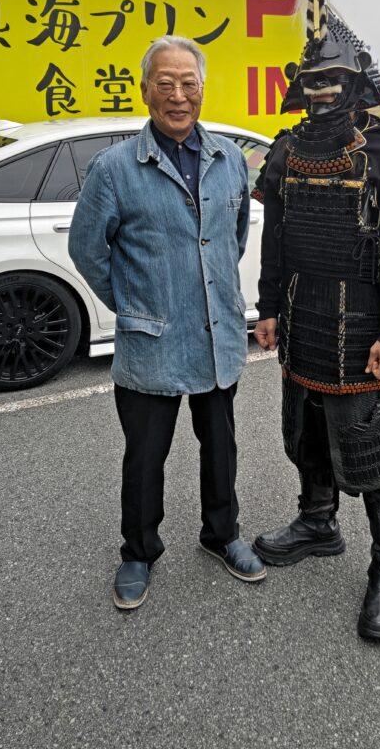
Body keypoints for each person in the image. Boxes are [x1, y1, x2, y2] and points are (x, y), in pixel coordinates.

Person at [251, 0, 380, 640]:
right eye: (311, 79)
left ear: (355, 83)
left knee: (372, 450)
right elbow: (273, 238)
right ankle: (317, 523)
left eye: (333, 79)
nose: (321, 90)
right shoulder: (284, 149)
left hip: (363, 323)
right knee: (305, 432)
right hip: (301, 316)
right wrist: (267, 307)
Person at [69, 35, 266, 610]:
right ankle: (138, 551)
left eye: (189, 83)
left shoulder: (229, 159)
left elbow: (232, 239)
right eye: (165, 83)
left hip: (216, 336)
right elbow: (88, 249)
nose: (178, 96)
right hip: (150, 343)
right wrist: (132, 303)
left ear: (202, 89)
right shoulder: (115, 169)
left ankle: (221, 534)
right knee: (144, 456)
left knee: (221, 447)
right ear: (145, 90)